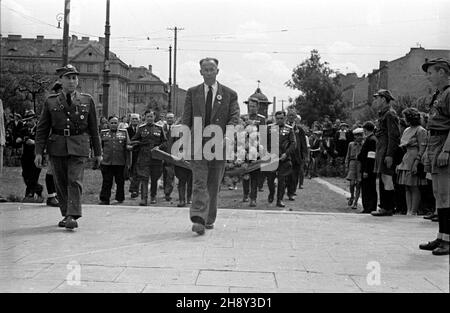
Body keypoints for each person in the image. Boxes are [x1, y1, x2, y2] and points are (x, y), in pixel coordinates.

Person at [35, 64, 102, 230]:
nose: (72, 81)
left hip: (79, 145)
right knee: (61, 182)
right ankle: (66, 214)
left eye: (74, 78)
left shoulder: (87, 100)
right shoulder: (51, 102)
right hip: (57, 145)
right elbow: (42, 129)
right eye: (68, 78)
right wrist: (38, 152)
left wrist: (98, 152)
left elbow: (94, 128)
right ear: (60, 80)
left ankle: (73, 215)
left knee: (74, 180)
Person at [181, 57, 240, 235]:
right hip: (198, 144)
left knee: (213, 183)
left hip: (219, 143)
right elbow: (186, 119)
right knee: (199, 181)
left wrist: (228, 137)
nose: (208, 72)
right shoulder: (192, 92)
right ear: (200, 72)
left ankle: (209, 218)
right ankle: (198, 217)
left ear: (217, 71)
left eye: (211, 69)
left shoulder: (230, 94)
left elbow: (234, 117)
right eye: (205, 69)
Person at [419, 58, 450, 256]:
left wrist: (447, 150)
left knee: (446, 194)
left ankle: (447, 240)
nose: (428, 76)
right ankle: (441, 236)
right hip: (434, 141)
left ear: (442, 71)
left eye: (430, 72)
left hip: (444, 142)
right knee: (438, 194)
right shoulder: (439, 94)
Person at [371, 89, 400, 217]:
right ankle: (384, 206)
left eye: (377, 98)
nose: (375, 100)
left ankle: (388, 207)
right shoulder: (383, 114)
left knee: (387, 178)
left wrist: (389, 154)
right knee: (384, 178)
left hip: (386, 151)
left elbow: (393, 136)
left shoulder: (390, 114)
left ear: (383, 99)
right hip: (381, 150)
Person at [396, 108, 428, 215]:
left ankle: (413, 210)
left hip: (415, 157)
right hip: (406, 157)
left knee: (414, 186)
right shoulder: (406, 130)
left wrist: (416, 162)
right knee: (407, 186)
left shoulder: (421, 130)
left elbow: (422, 147)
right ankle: (408, 209)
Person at [131, 110, 167, 206]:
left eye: (151, 116)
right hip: (144, 157)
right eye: (148, 116)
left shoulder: (159, 128)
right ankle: (144, 198)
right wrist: (138, 143)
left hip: (156, 157)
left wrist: (159, 147)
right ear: (145, 117)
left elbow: (165, 142)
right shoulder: (141, 128)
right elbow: (134, 140)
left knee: (154, 178)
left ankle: (153, 196)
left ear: (154, 117)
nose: (150, 118)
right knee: (144, 178)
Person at [99, 116, 131, 205]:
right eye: (112, 123)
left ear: (118, 124)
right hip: (107, 162)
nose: (113, 124)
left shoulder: (124, 133)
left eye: (115, 123)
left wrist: (130, 147)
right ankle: (104, 199)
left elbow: (128, 144)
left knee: (120, 181)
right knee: (107, 181)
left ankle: (120, 198)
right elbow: (100, 146)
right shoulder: (103, 133)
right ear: (108, 123)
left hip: (119, 162)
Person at [266, 111, 296, 209]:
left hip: (284, 159)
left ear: (285, 118)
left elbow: (293, 144)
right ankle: (271, 193)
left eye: (281, 118)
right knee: (270, 180)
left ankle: (280, 200)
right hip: (272, 158)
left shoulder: (289, 129)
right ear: (275, 118)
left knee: (282, 180)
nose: (279, 120)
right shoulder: (269, 128)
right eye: (277, 118)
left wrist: (286, 154)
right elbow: (264, 142)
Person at [242, 97, 266, 207]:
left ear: (258, 107)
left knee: (255, 175)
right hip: (244, 150)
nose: (252, 108)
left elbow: (263, 134)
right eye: (250, 106)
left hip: (256, 150)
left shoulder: (261, 119)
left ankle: (253, 198)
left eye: (254, 106)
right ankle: (245, 194)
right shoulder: (243, 118)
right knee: (245, 173)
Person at [19, 110, 44, 203]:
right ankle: (38, 191)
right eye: (27, 121)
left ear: (34, 120)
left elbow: (44, 141)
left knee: (33, 176)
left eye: (30, 120)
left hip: (36, 156)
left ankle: (30, 194)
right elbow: (17, 139)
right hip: (25, 156)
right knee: (25, 175)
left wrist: (34, 142)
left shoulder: (40, 130)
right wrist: (19, 140)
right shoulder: (23, 130)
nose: (28, 123)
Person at [285, 110, 306, 200]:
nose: (291, 117)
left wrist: (304, 155)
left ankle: (291, 192)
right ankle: (284, 190)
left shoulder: (299, 130)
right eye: (289, 115)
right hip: (286, 155)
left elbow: (303, 144)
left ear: (295, 118)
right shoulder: (283, 128)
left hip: (297, 156)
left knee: (294, 176)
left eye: (293, 116)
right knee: (286, 175)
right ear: (287, 116)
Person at [358, 121, 378, 213]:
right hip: (366, 167)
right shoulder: (370, 139)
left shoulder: (371, 140)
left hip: (368, 168)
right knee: (367, 188)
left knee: (368, 188)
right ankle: (367, 206)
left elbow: (371, 157)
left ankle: (369, 207)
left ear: (366, 130)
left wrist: (366, 170)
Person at [345, 128, 364, 209]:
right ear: (355, 136)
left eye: (360, 135)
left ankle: (356, 202)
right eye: (357, 135)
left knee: (359, 184)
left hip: (360, 163)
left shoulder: (364, 145)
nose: (359, 137)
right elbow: (348, 155)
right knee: (352, 183)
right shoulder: (351, 144)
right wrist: (346, 165)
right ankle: (352, 196)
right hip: (352, 163)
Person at [162, 112, 176, 201]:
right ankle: (165, 190)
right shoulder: (162, 129)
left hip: (172, 155)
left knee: (170, 174)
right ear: (166, 119)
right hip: (162, 154)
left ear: (174, 119)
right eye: (168, 118)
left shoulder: (177, 129)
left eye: (171, 118)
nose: (170, 119)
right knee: (164, 174)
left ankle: (168, 192)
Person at [126, 113, 141, 198]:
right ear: (130, 120)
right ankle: (134, 188)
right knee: (130, 172)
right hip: (130, 154)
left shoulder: (142, 129)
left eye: (136, 119)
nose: (134, 120)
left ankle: (134, 189)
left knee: (137, 172)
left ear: (139, 120)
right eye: (133, 119)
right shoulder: (126, 130)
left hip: (139, 153)